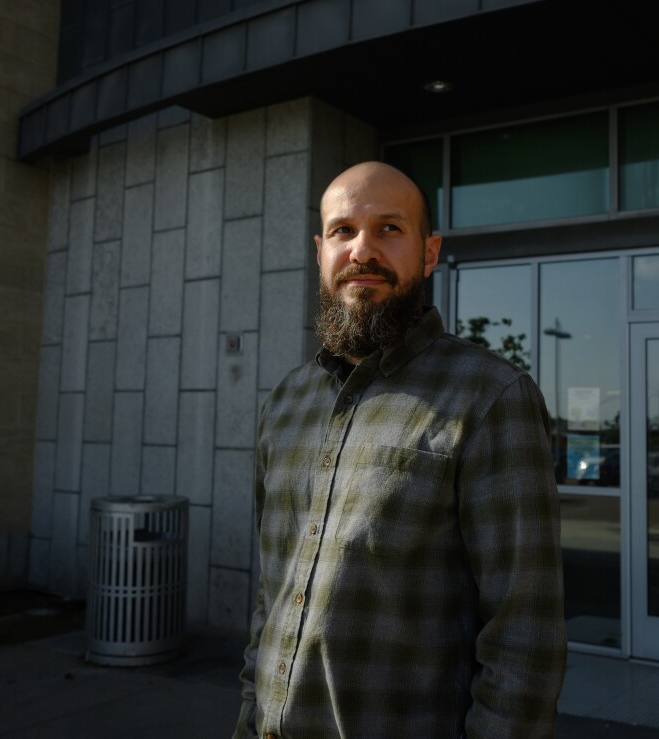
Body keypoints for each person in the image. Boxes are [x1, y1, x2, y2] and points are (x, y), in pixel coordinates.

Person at [234, 161, 566, 739]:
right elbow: (271, 598)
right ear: (320, 251)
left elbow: (526, 636)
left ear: (429, 252)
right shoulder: (286, 401)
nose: (363, 250)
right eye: (343, 231)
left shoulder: (490, 396)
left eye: (390, 228)